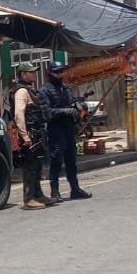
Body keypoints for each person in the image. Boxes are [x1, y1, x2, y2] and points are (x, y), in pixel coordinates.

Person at [39, 60, 93, 202]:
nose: (60, 74)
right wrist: (66, 111)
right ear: (49, 73)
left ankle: (75, 189)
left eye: (61, 71)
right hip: (56, 129)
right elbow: (47, 113)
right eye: (56, 72)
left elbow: (71, 104)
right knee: (56, 160)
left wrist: (78, 106)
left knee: (71, 160)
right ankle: (55, 191)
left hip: (69, 129)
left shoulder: (66, 88)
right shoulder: (44, 91)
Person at [12, 62, 51, 210]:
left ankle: (38, 194)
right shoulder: (21, 91)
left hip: (36, 133)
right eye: (31, 72)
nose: (34, 74)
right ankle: (29, 199)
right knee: (30, 166)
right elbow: (18, 114)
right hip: (29, 135)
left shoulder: (29, 90)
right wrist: (25, 136)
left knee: (37, 164)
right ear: (23, 74)